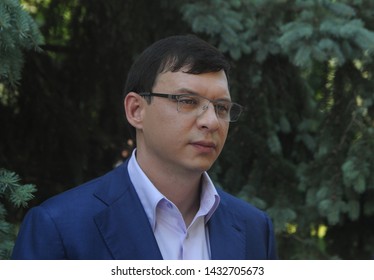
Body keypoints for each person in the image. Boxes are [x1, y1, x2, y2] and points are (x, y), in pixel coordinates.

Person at [12, 34, 277, 260]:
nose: (211, 121)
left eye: (221, 108)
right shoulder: (60, 227)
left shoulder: (254, 229)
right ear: (136, 110)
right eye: (187, 101)